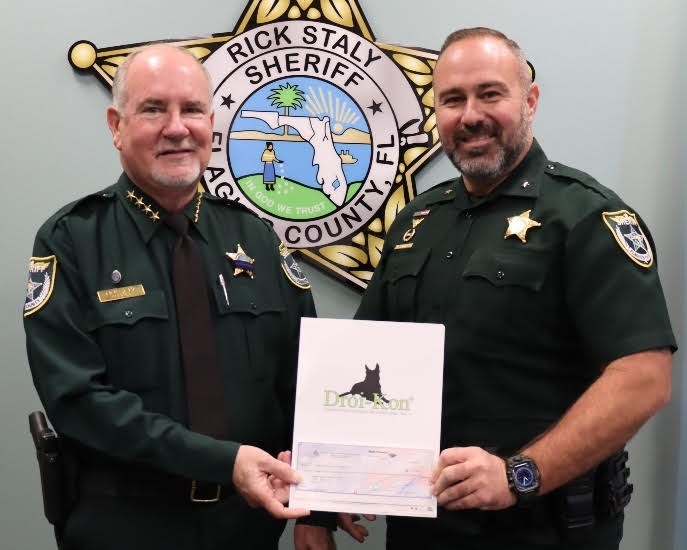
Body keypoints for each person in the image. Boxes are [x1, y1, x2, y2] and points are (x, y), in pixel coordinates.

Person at [353, 27, 676, 549]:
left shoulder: (586, 216)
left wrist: (518, 475)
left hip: (546, 531)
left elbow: (644, 378)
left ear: (530, 100)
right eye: (452, 99)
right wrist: (325, 500)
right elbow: (361, 361)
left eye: (490, 93)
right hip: (423, 527)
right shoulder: (416, 221)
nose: (470, 114)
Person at [23, 43, 324, 550]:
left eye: (192, 109)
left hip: (247, 527)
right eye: (153, 109)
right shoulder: (70, 241)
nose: (177, 127)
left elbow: (308, 381)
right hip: (125, 526)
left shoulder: (257, 240)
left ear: (212, 121)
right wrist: (221, 462)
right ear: (116, 125)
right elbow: (78, 400)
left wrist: (323, 500)